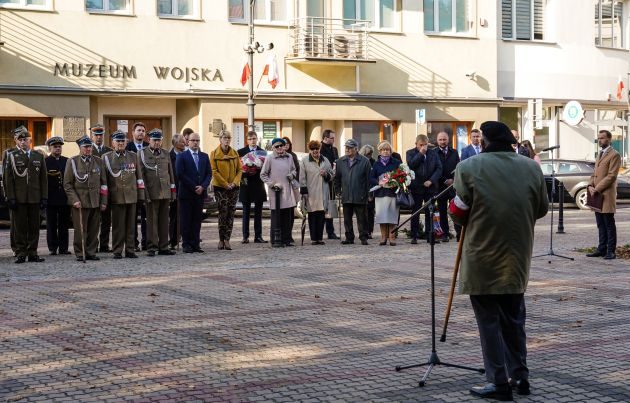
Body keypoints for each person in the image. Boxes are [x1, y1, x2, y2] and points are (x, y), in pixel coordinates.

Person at [449, 121, 548, 401]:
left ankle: (498, 383)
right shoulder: (531, 167)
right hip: (516, 256)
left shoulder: (469, 167)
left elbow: (458, 211)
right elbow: (541, 208)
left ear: (485, 141)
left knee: (489, 324)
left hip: (482, 258)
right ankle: (520, 376)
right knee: (514, 321)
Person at [5, 128, 48, 264]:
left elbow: (43, 179)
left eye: (26, 139)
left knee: (35, 226)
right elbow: (8, 179)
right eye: (21, 140)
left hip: (35, 197)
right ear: (16, 141)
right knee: (20, 226)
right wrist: (10, 197)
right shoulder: (11, 155)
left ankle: (33, 252)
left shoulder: (38, 156)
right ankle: (21, 252)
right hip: (19, 198)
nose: (24, 142)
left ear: (30, 140)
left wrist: (44, 197)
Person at [63, 136, 108, 261]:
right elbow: (67, 184)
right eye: (86, 147)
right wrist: (74, 200)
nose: (88, 149)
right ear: (80, 148)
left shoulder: (99, 161)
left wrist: (103, 201)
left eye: (90, 147)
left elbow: (104, 184)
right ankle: (80, 252)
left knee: (94, 229)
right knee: (80, 230)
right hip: (80, 202)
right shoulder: (72, 161)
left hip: (95, 201)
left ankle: (91, 251)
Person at [103, 131, 145, 259]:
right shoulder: (106, 157)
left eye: (123, 141)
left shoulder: (133, 156)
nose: (121, 143)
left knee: (131, 226)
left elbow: (139, 177)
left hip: (131, 195)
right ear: (113, 143)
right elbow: (104, 180)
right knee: (118, 226)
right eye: (118, 141)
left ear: (126, 142)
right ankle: (117, 250)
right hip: (116, 197)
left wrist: (141, 196)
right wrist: (105, 199)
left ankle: (130, 250)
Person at [138, 129, 176, 257]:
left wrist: (172, 193)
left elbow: (170, 174)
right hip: (151, 192)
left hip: (165, 192)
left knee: (164, 221)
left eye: (159, 140)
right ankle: (152, 247)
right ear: (149, 140)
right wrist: (144, 195)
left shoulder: (166, 154)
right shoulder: (142, 154)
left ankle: (164, 246)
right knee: (152, 222)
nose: (157, 143)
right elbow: (141, 176)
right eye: (154, 140)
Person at [586, 129, 621, 260]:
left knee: (609, 224)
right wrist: (590, 185)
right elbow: (594, 173)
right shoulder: (599, 154)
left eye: (602, 138)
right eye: (599, 138)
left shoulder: (614, 155)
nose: (600, 140)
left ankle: (611, 251)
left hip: (606, 194)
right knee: (600, 223)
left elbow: (612, 176)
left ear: (609, 139)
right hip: (596, 195)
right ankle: (601, 249)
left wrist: (597, 188)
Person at [176, 132, 212, 253]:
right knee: (186, 219)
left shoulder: (204, 156)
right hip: (187, 193)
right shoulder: (182, 156)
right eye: (193, 140)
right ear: (188, 142)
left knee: (197, 220)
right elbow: (180, 174)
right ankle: (186, 244)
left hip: (200, 194)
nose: (195, 142)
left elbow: (209, 173)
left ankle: (195, 243)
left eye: (197, 140)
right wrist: (194, 187)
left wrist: (203, 186)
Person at [260, 137, 298, 247]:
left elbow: (294, 170)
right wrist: (272, 184)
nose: (280, 148)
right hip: (276, 192)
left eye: (281, 145)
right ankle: (276, 240)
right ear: (273, 148)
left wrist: (292, 175)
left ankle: (286, 239)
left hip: (287, 190)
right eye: (277, 146)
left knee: (287, 217)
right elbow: (263, 174)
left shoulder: (289, 157)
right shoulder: (270, 158)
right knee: (277, 217)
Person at [406, 134, 443, 244]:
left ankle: (430, 235)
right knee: (416, 211)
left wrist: (431, 180)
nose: (423, 147)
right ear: (416, 144)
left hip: (430, 187)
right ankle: (414, 235)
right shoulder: (410, 153)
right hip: (416, 187)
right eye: (420, 145)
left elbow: (439, 168)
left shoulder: (433, 153)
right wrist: (421, 154)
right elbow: (411, 165)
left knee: (430, 211)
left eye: (425, 145)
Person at [334, 138, 371, 245]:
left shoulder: (365, 161)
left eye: (350, 148)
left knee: (362, 218)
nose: (347, 150)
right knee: (347, 218)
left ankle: (363, 237)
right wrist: (338, 191)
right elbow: (337, 178)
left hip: (360, 195)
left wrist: (369, 194)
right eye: (346, 147)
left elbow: (369, 179)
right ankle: (349, 237)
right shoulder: (340, 161)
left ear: (356, 149)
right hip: (346, 194)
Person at [210, 131, 242, 250]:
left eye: (229, 137)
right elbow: (214, 171)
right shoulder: (214, 153)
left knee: (231, 212)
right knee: (223, 212)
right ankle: (221, 239)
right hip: (220, 187)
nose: (227, 140)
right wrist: (225, 184)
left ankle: (227, 239)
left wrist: (234, 183)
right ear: (220, 139)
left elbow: (240, 170)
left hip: (234, 187)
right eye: (224, 138)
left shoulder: (235, 153)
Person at [299, 140, 334, 245]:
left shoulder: (325, 160)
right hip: (311, 193)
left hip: (323, 192)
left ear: (319, 149)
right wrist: (304, 191)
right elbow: (302, 177)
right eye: (312, 149)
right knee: (312, 215)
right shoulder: (305, 161)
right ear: (309, 150)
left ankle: (320, 238)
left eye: (317, 149)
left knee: (321, 215)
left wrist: (326, 175)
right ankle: (314, 238)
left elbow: (332, 174)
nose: (315, 151)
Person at [238, 131, 268, 244]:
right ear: (247, 140)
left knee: (258, 212)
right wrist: (246, 170)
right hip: (246, 183)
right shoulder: (240, 152)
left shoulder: (263, 152)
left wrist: (257, 168)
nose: (253, 141)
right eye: (250, 139)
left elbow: (266, 167)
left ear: (257, 139)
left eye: (254, 138)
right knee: (245, 211)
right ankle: (245, 236)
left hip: (258, 183)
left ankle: (258, 236)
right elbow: (238, 168)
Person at [369, 141, 401, 246]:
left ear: (390, 151)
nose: (385, 152)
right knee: (382, 216)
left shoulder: (396, 162)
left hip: (392, 193)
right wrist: (378, 182)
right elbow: (371, 178)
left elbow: (401, 175)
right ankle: (383, 237)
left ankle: (392, 237)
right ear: (380, 151)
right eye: (383, 150)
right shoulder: (376, 163)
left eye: (387, 149)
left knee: (392, 216)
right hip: (380, 193)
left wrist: (395, 182)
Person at [45, 136, 71, 256]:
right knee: (51, 224)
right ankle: (52, 247)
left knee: (64, 224)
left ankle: (63, 248)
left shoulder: (67, 161)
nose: (57, 149)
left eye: (59, 147)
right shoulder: (45, 161)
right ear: (50, 148)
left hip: (64, 198)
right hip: (51, 198)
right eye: (55, 147)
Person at [90, 124, 114, 253]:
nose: (99, 138)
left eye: (101, 135)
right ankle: (93, 245)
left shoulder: (109, 150)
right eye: (96, 135)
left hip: (106, 190)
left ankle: (104, 244)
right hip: (93, 189)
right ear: (92, 136)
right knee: (93, 220)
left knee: (106, 220)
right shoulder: (88, 149)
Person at [126, 122, 149, 251]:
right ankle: (133, 243)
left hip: (146, 188)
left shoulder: (147, 146)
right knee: (132, 218)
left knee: (147, 217)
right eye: (139, 130)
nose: (141, 133)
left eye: (143, 131)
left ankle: (146, 242)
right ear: (133, 133)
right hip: (132, 188)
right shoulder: (127, 147)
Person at [3, 126, 25, 257]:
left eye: (24, 138)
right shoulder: (8, 152)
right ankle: (16, 247)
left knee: (27, 224)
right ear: (15, 139)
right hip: (15, 194)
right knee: (16, 224)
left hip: (27, 195)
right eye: (19, 138)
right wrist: (8, 195)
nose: (22, 140)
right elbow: (7, 176)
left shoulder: (30, 153)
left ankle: (26, 247)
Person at [436, 131, 460, 242]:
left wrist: (453, 180)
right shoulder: (434, 153)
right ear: (437, 141)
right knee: (442, 211)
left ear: (448, 140)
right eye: (440, 140)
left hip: (452, 187)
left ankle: (459, 233)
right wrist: (444, 180)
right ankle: (444, 233)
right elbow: (434, 169)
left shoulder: (454, 152)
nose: (442, 142)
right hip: (440, 186)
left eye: (444, 139)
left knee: (455, 210)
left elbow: (458, 167)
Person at [320, 129, 340, 240]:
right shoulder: (320, 148)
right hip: (323, 181)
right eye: (332, 138)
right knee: (322, 207)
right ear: (325, 138)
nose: (334, 140)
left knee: (331, 206)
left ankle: (330, 231)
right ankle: (319, 231)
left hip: (332, 181)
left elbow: (336, 161)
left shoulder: (334, 149)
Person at [168, 133, 186, 249]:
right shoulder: (169, 156)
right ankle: (173, 240)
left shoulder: (186, 155)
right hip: (174, 190)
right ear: (175, 143)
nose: (184, 143)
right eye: (182, 142)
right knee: (174, 216)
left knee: (185, 216)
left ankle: (185, 239)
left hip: (186, 189)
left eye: (184, 141)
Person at [359, 145, 376, 239]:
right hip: (361, 189)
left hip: (371, 189)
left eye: (371, 153)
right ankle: (363, 231)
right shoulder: (360, 161)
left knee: (370, 212)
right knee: (362, 212)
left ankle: (369, 231)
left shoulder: (373, 162)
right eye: (368, 154)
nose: (370, 156)